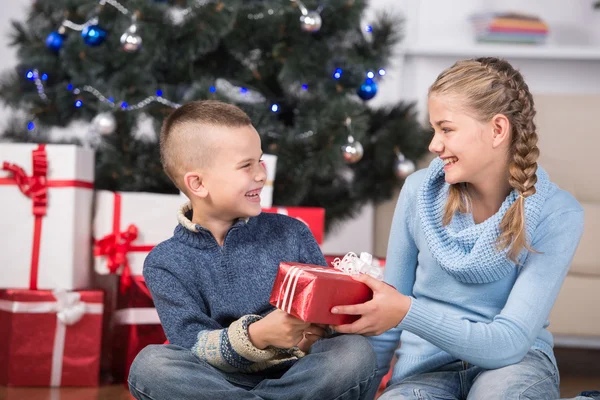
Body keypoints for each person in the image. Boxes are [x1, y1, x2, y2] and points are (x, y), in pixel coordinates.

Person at [330, 57, 585, 399]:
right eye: (434, 130)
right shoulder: (418, 192)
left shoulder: (557, 212)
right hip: (424, 371)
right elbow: (385, 320)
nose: (434, 145)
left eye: (446, 129)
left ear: (497, 130)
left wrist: (406, 311)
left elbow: (509, 343)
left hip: (514, 367)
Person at [127, 100, 376, 400]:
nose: (261, 174)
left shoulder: (290, 232)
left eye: (260, 161)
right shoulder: (164, 263)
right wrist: (258, 335)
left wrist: (327, 326)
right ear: (198, 184)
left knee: (354, 353)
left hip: (299, 375)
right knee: (151, 366)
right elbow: (192, 346)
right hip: (218, 384)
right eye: (246, 165)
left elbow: (327, 323)